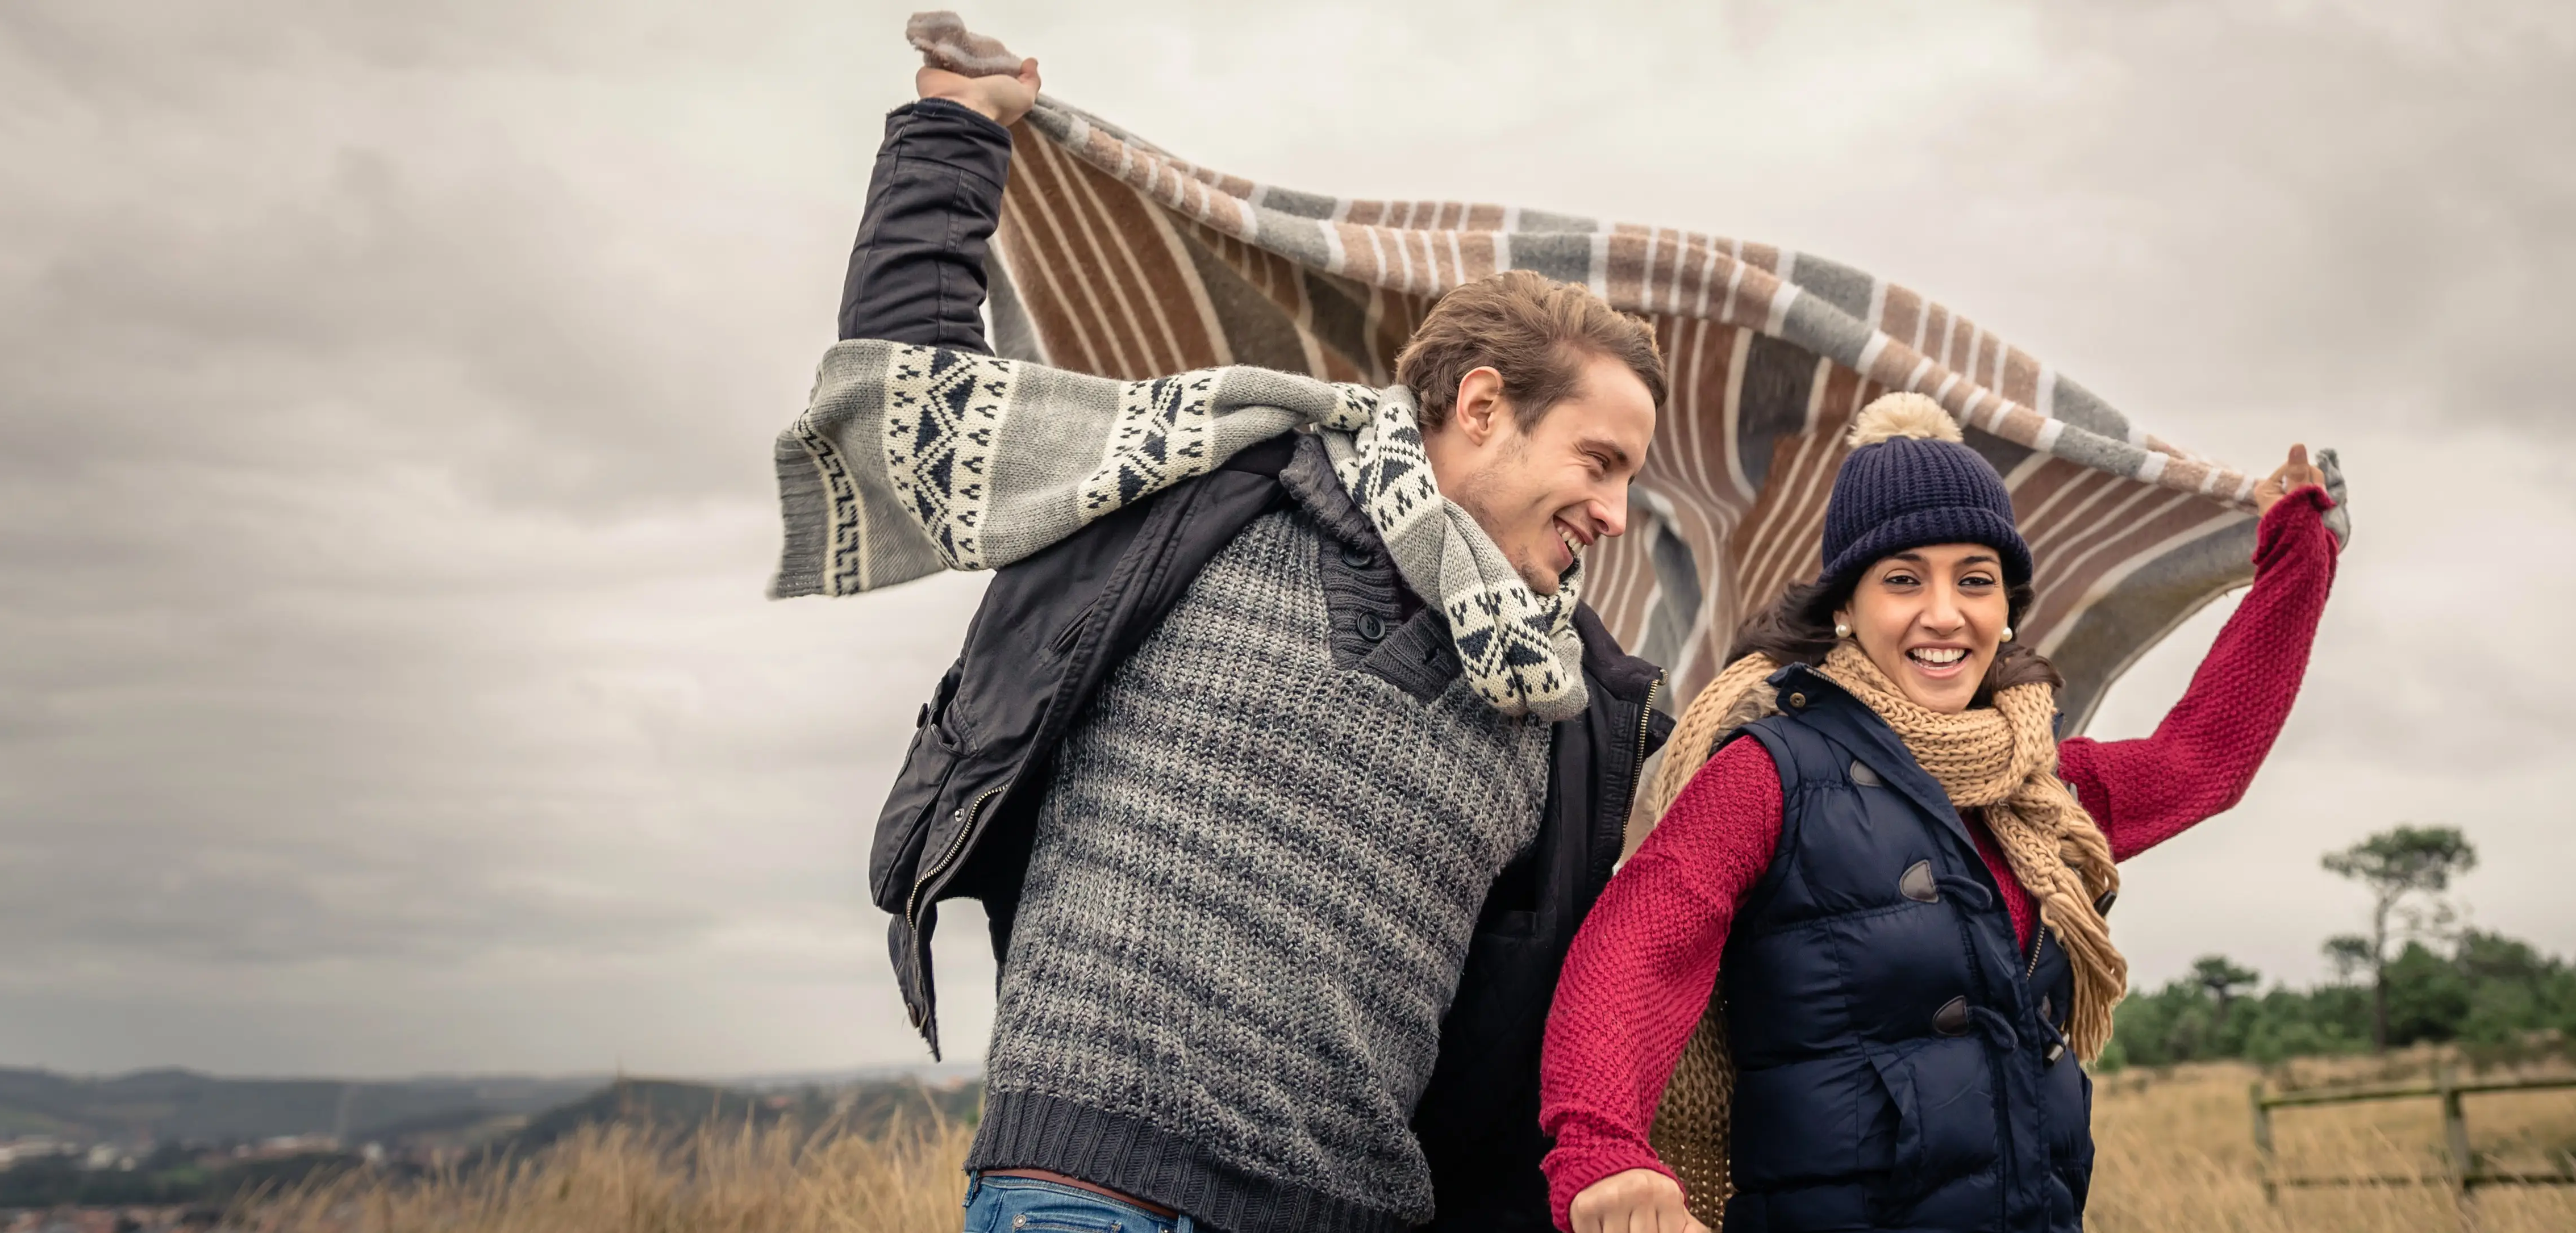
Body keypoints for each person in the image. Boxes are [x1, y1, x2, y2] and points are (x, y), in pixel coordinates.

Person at [833, 47, 1675, 1233]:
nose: (1616, 513)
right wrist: (952, 130)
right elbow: (919, 404)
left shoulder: (1577, 711)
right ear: (1483, 407)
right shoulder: (1206, 493)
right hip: (1084, 1188)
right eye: (1600, 462)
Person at [1537, 394, 2341, 1233]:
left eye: (1975, 580)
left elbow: (2201, 761)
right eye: (1902, 579)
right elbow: (1633, 952)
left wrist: (2295, 551)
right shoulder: (1769, 773)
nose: (1944, 613)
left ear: (2005, 609)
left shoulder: (2041, 792)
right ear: (1844, 606)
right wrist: (1601, 1148)